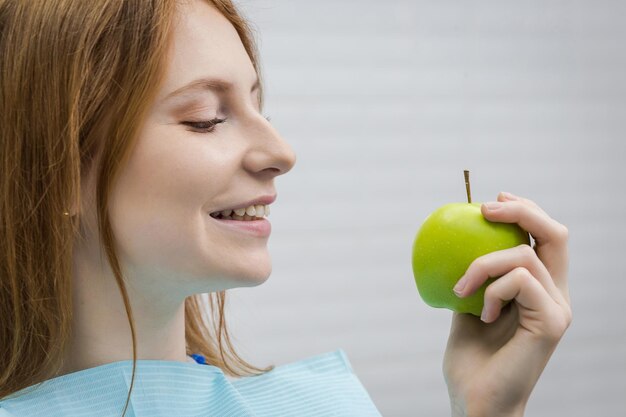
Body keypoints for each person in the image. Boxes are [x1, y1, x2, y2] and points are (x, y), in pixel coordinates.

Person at [0, 1, 571, 416]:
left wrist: (489, 409)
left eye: (259, 106)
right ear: (58, 169)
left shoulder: (324, 407)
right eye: (206, 117)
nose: (282, 152)